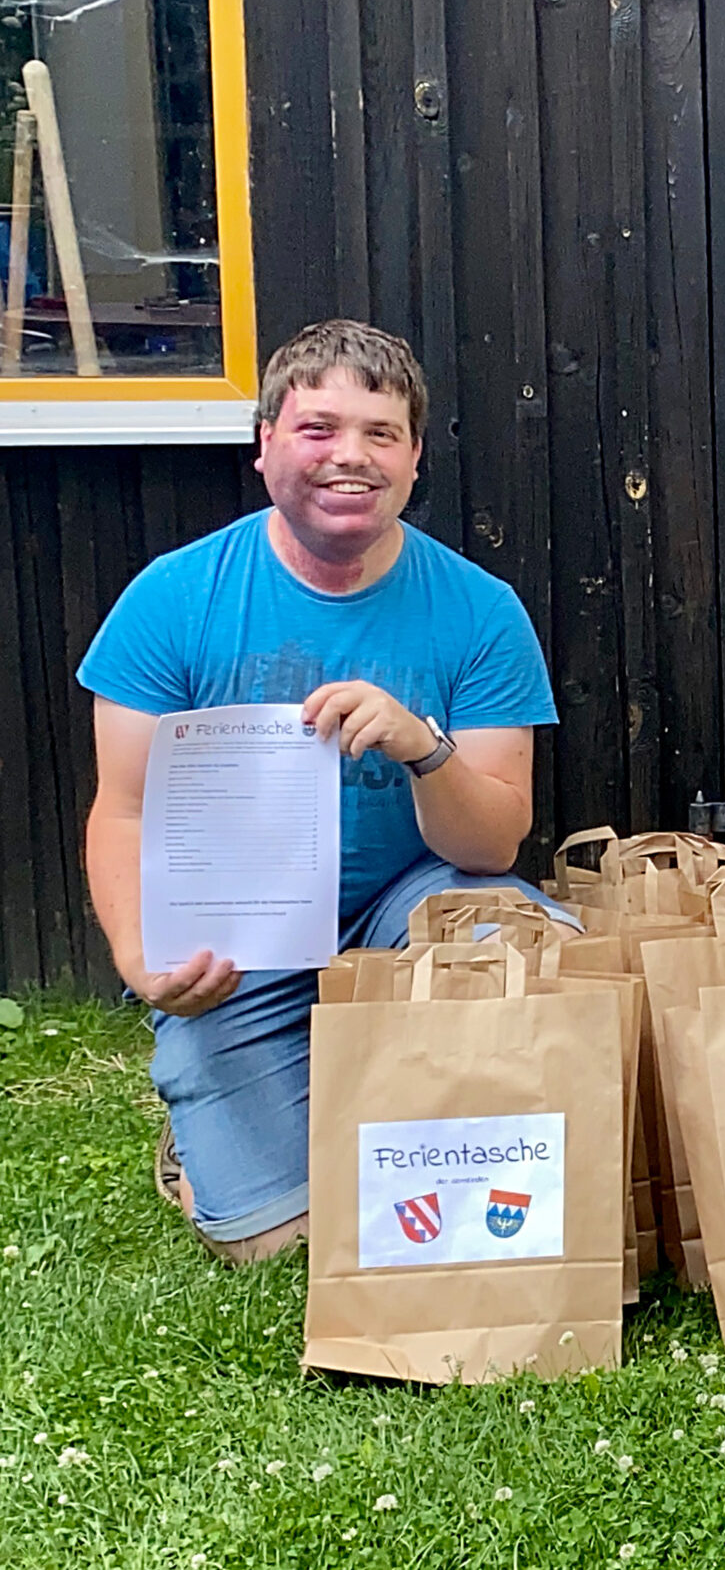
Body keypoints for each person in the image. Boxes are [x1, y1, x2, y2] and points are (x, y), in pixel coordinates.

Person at [79, 319, 569, 1264]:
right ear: (265, 444)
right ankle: (221, 1132)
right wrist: (143, 962)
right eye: (319, 428)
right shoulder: (172, 599)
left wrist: (424, 748)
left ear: (414, 459)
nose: (351, 455)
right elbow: (124, 810)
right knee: (285, 1244)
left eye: (381, 433)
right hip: (243, 936)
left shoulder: (481, 610)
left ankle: (397, 1118)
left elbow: (493, 843)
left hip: (411, 900)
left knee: (528, 946)